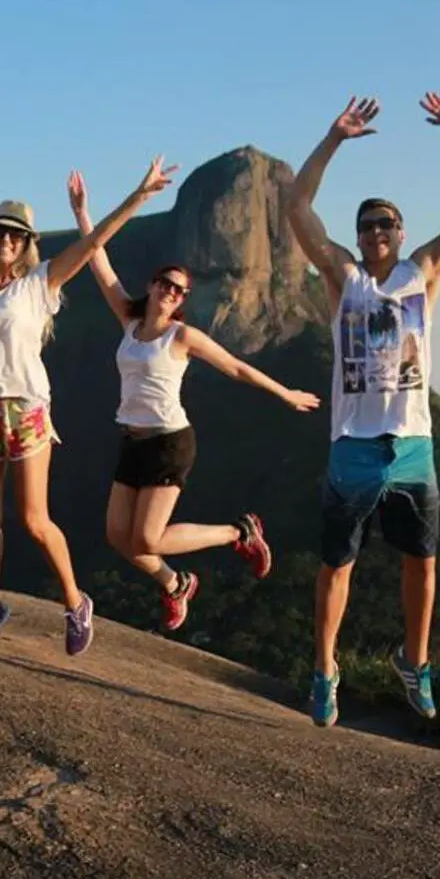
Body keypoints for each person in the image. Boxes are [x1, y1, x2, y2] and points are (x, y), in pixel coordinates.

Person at [0, 108, 176, 661]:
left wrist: (140, 194)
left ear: (24, 244)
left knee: (32, 518)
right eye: (0, 231)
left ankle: (76, 602)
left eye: (16, 235)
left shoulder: (40, 283)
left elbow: (96, 240)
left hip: (24, 410)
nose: (5, 240)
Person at [287, 93, 440, 727]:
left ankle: (415, 661)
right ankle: (325, 670)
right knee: (336, 566)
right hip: (353, 444)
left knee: (422, 563)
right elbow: (296, 206)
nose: (377, 232)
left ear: (400, 234)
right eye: (368, 225)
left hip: (412, 446)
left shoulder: (422, 272)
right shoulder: (342, 277)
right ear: (358, 236)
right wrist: (333, 136)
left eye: (387, 225)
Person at [68, 170, 321, 630]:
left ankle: (238, 533)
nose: (169, 291)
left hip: (170, 441)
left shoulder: (182, 337)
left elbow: (237, 367)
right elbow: (97, 261)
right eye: (164, 282)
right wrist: (83, 215)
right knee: (117, 537)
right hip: (133, 442)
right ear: (153, 285)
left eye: (178, 289)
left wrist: (284, 394)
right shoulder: (129, 321)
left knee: (147, 538)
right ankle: (175, 585)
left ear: (183, 299)